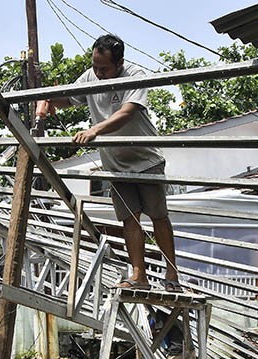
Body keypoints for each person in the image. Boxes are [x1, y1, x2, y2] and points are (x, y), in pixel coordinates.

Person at [37, 34, 180, 292]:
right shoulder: (91, 77)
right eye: (95, 66)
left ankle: (172, 274)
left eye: (104, 68)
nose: (98, 73)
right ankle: (139, 275)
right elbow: (68, 98)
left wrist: (95, 131)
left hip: (145, 159)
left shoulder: (134, 74)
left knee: (158, 216)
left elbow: (127, 112)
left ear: (120, 63)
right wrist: (48, 100)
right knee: (129, 219)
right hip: (115, 164)